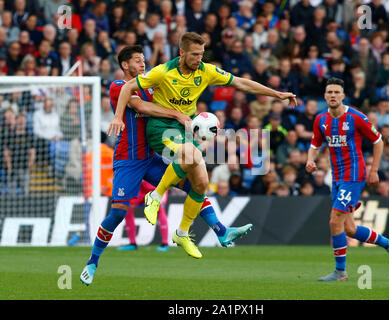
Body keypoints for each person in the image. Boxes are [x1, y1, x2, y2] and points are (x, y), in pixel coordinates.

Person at [108, 32, 296, 259]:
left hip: (184, 130)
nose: (199, 58)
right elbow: (128, 89)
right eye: (195, 54)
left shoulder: (206, 71)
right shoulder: (162, 72)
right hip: (160, 129)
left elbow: (240, 82)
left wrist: (276, 94)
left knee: (201, 183)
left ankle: (184, 232)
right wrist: (118, 117)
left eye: (202, 54)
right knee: (191, 153)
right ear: (182, 52)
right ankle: (155, 197)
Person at [80, 45, 253, 285]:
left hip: (152, 157)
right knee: (118, 212)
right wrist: (176, 115)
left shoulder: (152, 87)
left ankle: (221, 231)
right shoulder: (118, 87)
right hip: (128, 159)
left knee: (196, 185)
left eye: (144, 60)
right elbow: (141, 107)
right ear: (124, 65)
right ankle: (92, 261)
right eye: (137, 61)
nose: (143, 64)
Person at [306, 77, 389, 281]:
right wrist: (310, 160)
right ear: (325, 96)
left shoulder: (356, 117)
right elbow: (315, 144)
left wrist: (374, 170)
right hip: (337, 177)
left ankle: (340, 272)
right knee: (348, 228)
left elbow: (378, 142)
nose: (332, 95)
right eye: (329, 92)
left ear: (343, 95)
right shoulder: (321, 120)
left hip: (354, 174)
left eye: (336, 92)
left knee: (334, 221)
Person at [117, 180, 170, 252]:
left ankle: (165, 243)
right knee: (128, 208)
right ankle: (132, 243)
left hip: (157, 188)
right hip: (141, 189)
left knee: (160, 209)